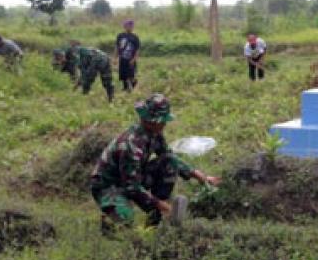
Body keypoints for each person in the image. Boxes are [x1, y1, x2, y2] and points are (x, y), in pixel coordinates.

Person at [90, 94, 220, 233]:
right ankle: (110, 220)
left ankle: (154, 223)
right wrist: (161, 205)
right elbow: (131, 187)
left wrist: (199, 176)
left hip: (132, 177)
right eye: (162, 121)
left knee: (169, 163)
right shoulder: (131, 145)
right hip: (109, 186)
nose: (164, 124)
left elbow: (168, 156)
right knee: (124, 220)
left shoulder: (154, 133)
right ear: (151, 121)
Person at [115, 19, 141, 92]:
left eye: (131, 26)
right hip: (122, 58)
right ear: (124, 26)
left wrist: (134, 59)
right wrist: (115, 58)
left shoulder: (135, 37)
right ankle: (125, 88)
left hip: (131, 58)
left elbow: (137, 49)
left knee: (131, 74)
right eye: (127, 25)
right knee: (123, 74)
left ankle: (133, 84)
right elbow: (117, 47)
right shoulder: (120, 36)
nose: (129, 27)